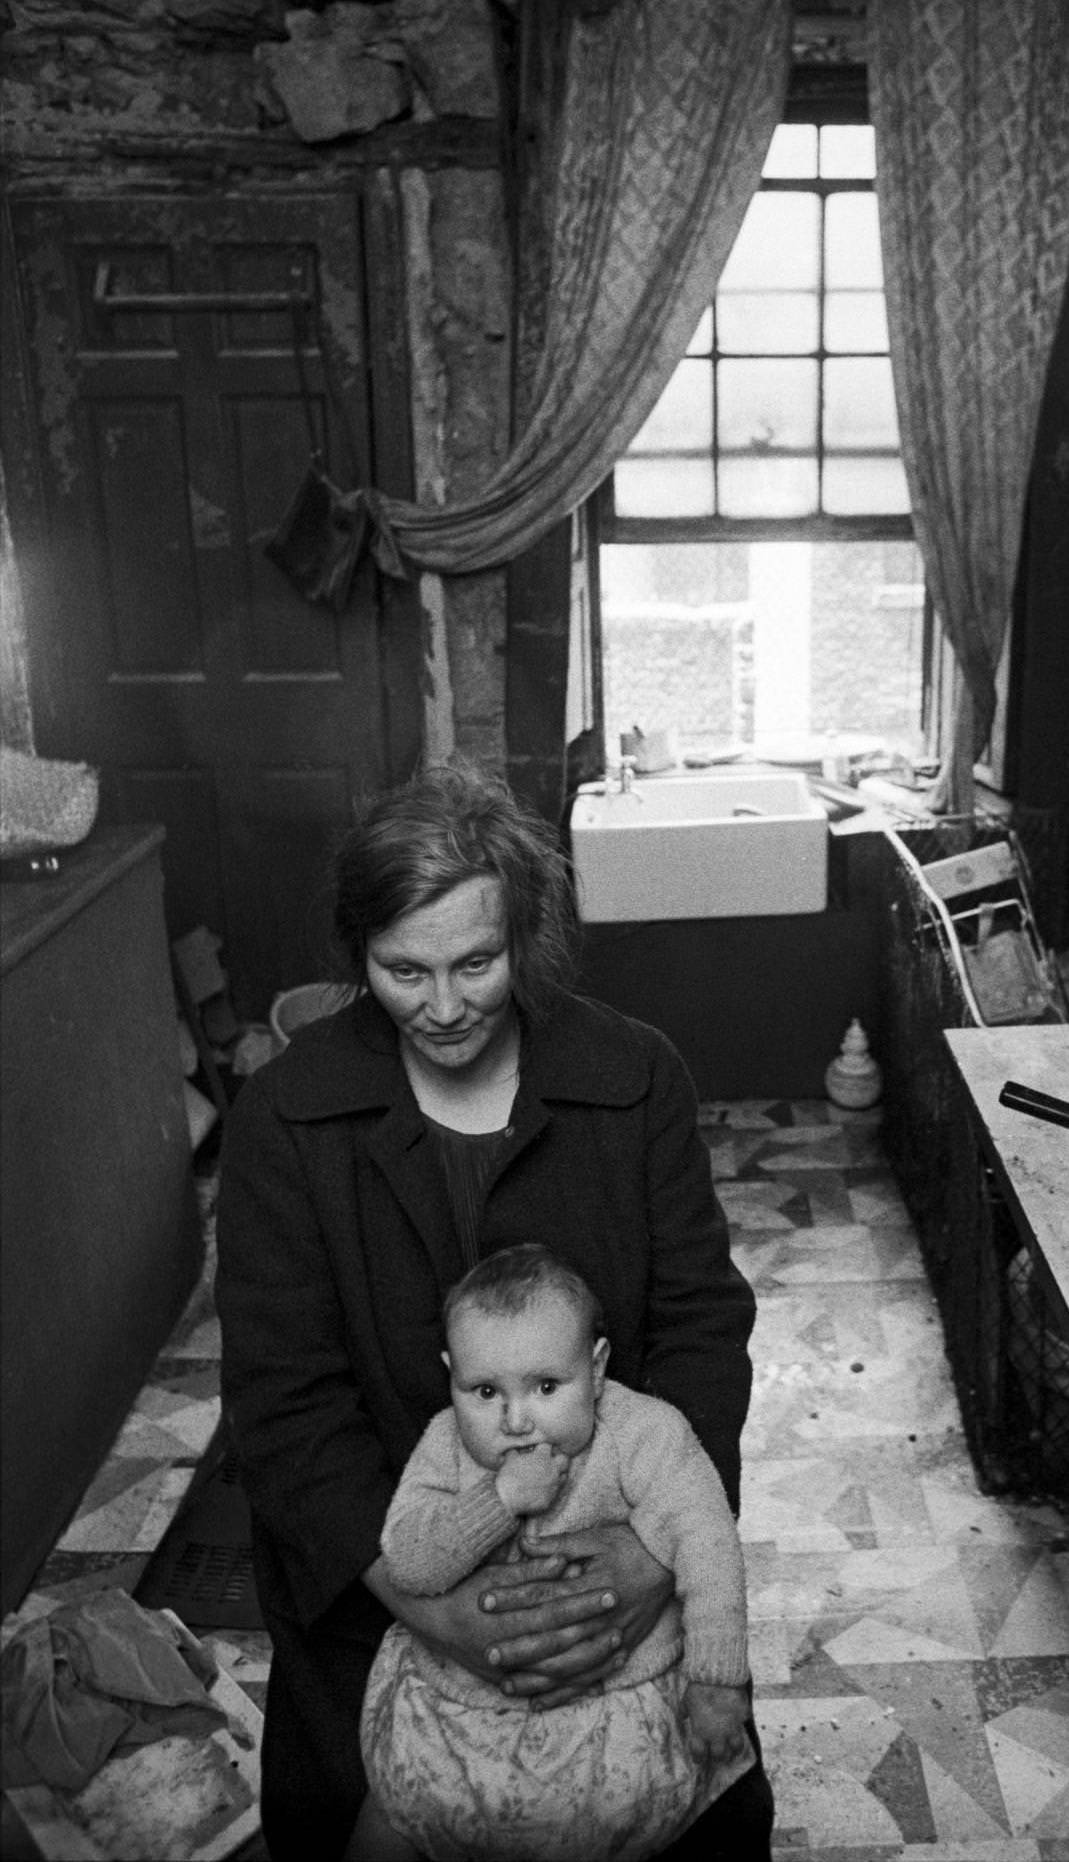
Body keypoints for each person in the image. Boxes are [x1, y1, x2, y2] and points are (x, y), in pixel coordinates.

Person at [215, 758, 773, 1860]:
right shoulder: (285, 1118)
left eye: (476, 962)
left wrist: (649, 1562)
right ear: (358, 953)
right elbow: (285, 1405)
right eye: (402, 970)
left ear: (525, 934)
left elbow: (702, 1333)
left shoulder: (632, 1077)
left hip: (618, 1576)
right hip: (383, 1584)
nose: (443, 1006)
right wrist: (432, 1609)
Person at [347, 1244, 754, 1861]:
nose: (516, 1420)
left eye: (545, 1387)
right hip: (455, 1718)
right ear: (451, 1373)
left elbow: (708, 1543)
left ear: (596, 1368)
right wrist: (498, 1499)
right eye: (484, 1391)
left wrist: (718, 1681)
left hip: (615, 1717)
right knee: (388, 1822)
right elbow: (409, 1562)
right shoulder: (443, 1444)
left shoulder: (646, 1434)